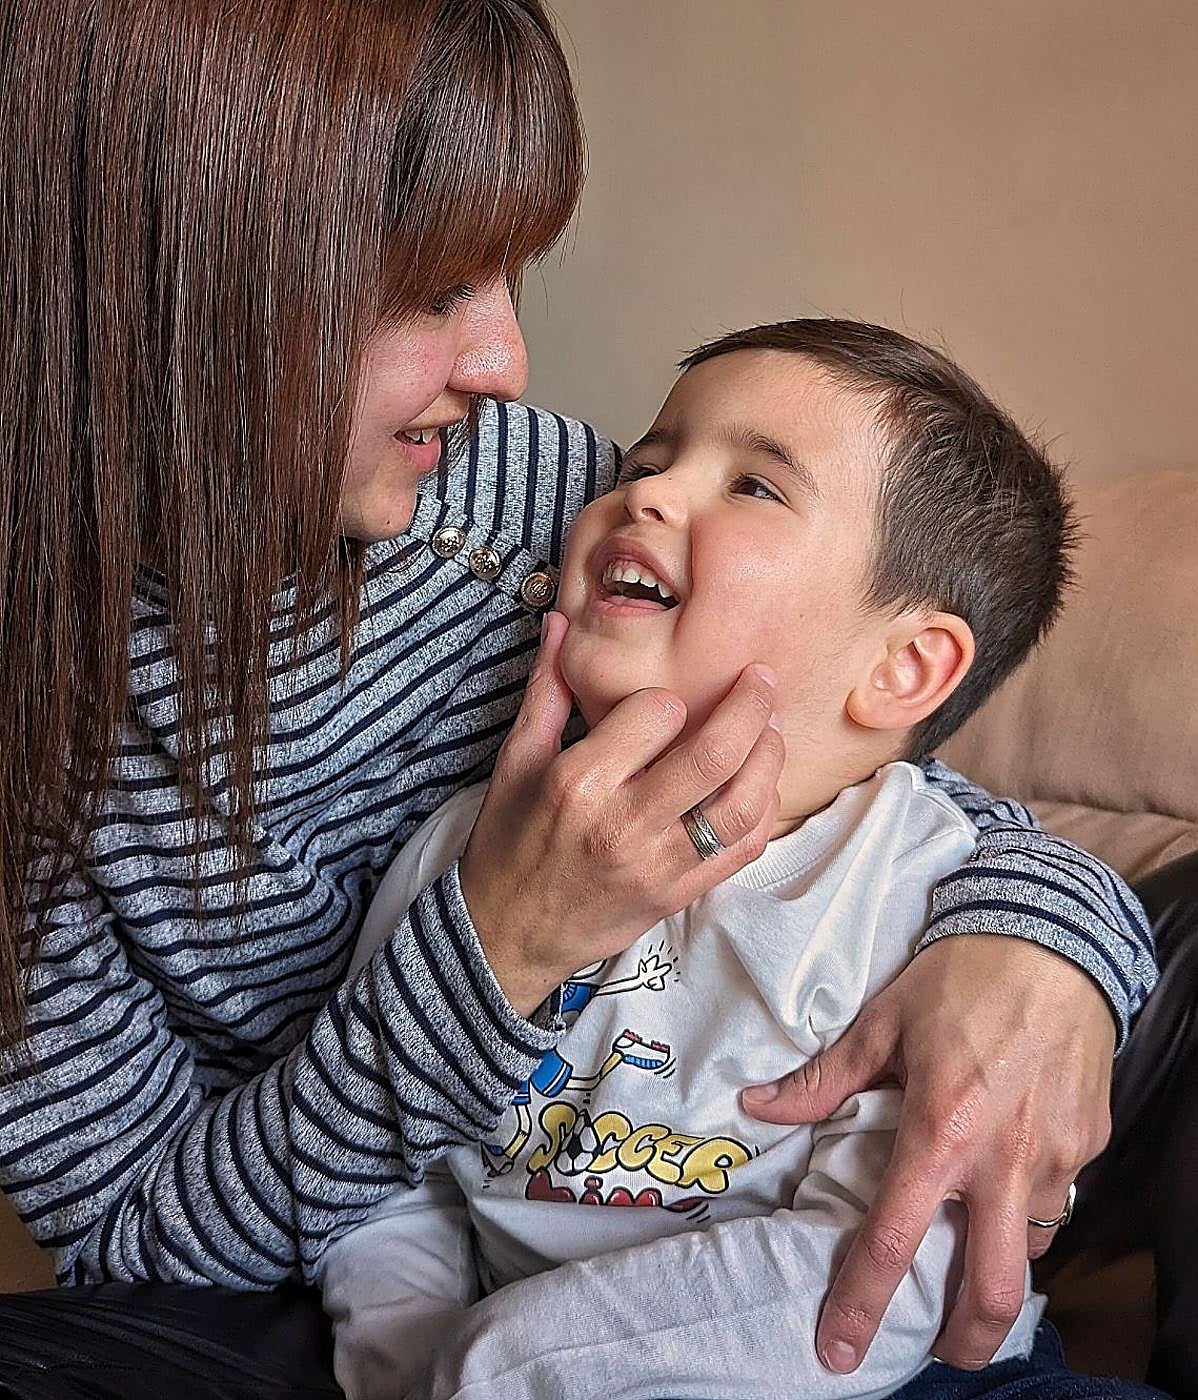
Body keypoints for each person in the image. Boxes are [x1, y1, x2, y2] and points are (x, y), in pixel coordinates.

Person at [0, 3, 1158, 1397]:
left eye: (506, 279)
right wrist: (497, 947)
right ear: (154, 279)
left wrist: (1041, 944)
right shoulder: (82, 755)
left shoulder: (518, 491)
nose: (504, 371)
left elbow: (845, 745)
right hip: (359, 1254)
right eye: (431, 288)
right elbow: (144, 1243)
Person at [316, 319, 1168, 1400]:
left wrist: (501, 1364)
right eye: (649, 460)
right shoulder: (463, 844)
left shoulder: (927, 897)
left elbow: (881, 1280)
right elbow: (388, 1180)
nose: (648, 495)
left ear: (905, 666)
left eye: (754, 486)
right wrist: (411, 1359)